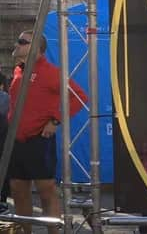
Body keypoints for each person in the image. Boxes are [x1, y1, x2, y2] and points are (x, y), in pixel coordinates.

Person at [8, 30, 88, 234]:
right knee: (18, 189)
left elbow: (79, 96)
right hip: (15, 140)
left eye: (21, 41)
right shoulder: (19, 70)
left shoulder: (51, 72)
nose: (16, 45)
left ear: (36, 48)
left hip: (39, 140)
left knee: (46, 191)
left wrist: (55, 121)